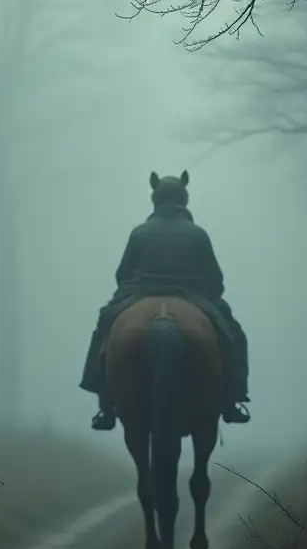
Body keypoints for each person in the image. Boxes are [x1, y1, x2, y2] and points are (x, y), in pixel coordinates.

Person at [81, 170, 251, 430]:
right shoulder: (198, 234)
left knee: (104, 326)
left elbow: (121, 274)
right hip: (195, 295)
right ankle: (232, 397)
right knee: (235, 334)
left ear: (155, 199)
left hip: (138, 292)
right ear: (184, 198)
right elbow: (216, 278)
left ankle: (103, 400)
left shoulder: (139, 233)